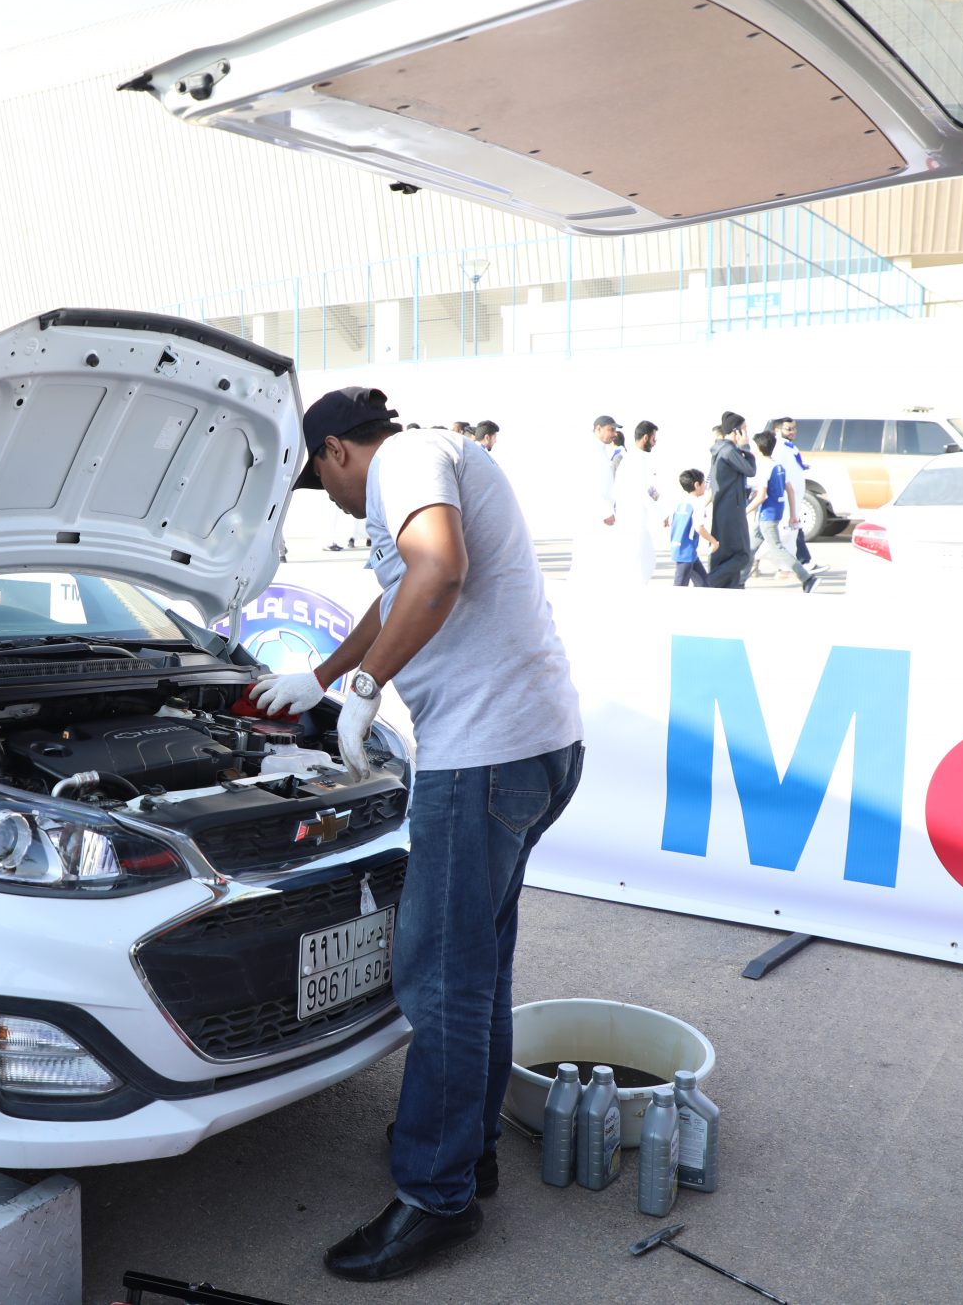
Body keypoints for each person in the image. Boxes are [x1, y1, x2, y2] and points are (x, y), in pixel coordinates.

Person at [254, 386, 583, 1282]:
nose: (334, 502)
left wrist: (366, 695)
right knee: (479, 967)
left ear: (333, 452)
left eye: (322, 485)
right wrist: (324, 675)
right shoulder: (433, 460)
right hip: (536, 749)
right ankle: (466, 1149)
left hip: (484, 761)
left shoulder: (403, 462)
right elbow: (397, 592)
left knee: (438, 978)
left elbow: (436, 570)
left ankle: (435, 1198)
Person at [750, 432, 817, 592]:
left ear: (759, 448)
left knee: (777, 548)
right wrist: (794, 514)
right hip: (773, 512)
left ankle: (807, 578)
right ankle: (738, 580)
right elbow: (790, 490)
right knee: (750, 548)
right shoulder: (778, 465)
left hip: (767, 514)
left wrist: (744, 511)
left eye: (754, 446)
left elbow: (761, 496)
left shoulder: (763, 467)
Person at [571, 414, 624, 584]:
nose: (614, 434)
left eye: (615, 430)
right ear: (598, 429)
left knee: (593, 561)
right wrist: (606, 511)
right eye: (611, 429)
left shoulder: (599, 450)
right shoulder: (592, 452)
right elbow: (592, 485)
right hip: (595, 515)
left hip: (598, 513)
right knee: (590, 560)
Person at [706, 414, 757, 588]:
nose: (746, 433)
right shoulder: (729, 451)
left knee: (725, 556)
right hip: (732, 511)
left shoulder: (721, 449)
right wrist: (746, 448)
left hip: (725, 509)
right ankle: (708, 582)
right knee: (743, 556)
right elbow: (750, 470)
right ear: (736, 431)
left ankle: (732, 586)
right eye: (744, 429)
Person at [612, 420, 663, 585]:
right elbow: (641, 493)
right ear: (646, 437)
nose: (655, 443)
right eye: (654, 439)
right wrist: (662, 515)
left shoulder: (629, 459)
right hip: (634, 521)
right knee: (642, 565)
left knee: (641, 563)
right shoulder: (638, 460)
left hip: (628, 518)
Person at [770, 417, 814, 566]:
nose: (793, 432)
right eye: (788, 429)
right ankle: (802, 563)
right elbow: (777, 472)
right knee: (786, 532)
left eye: (794, 428)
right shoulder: (778, 448)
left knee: (792, 530)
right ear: (777, 430)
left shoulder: (790, 447)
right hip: (786, 497)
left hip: (795, 496)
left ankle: (799, 563)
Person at [670, 469, 713, 586]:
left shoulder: (681, 503)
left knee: (704, 583)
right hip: (686, 553)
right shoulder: (697, 504)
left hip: (683, 550)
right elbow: (699, 528)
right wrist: (714, 542)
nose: (706, 486)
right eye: (704, 483)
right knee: (679, 586)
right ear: (697, 485)